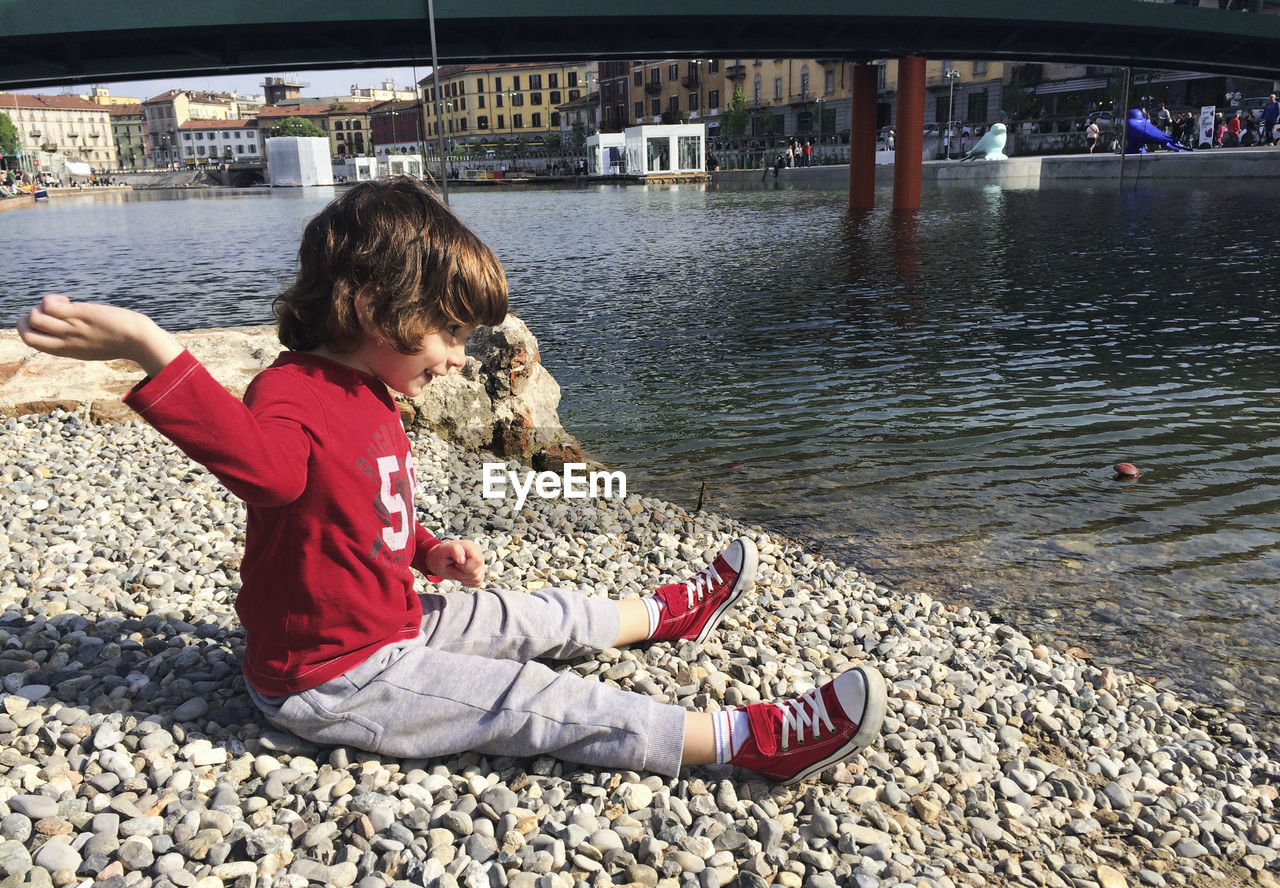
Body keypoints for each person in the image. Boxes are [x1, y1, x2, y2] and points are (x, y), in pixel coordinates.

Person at [16, 178, 886, 785]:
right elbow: (270, 475)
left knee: (533, 611)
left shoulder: (369, 392)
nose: (458, 356)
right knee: (532, 700)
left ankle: (666, 614)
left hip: (391, 615)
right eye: (446, 332)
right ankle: (743, 740)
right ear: (370, 308)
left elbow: (353, 508)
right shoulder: (288, 392)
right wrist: (154, 349)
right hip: (332, 677)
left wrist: (429, 548)